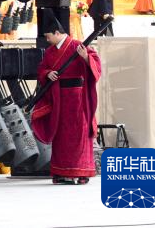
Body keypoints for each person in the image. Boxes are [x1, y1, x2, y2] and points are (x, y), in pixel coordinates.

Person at [32, 16, 102, 185]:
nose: (47, 39)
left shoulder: (78, 46)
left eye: (48, 36)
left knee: (79, 134)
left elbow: (97, 67)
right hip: (58, 98)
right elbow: (42, 69)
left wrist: (86, 57)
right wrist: (48, 73)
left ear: (57, 33)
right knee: (60, 135)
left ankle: (80, 172)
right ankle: (61, 172)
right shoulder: (50, 52)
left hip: (77, 98)